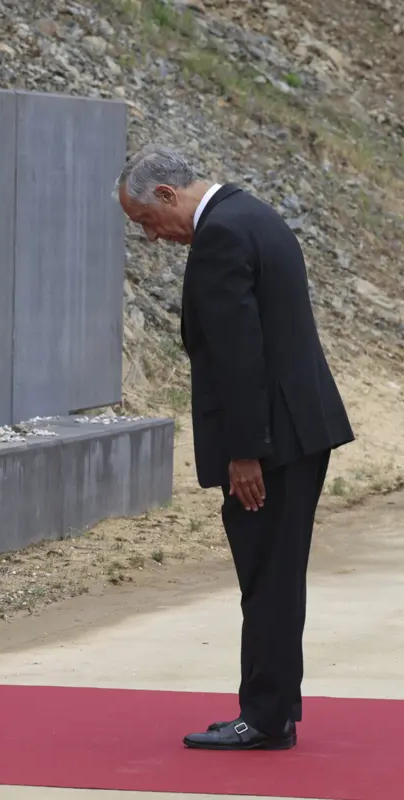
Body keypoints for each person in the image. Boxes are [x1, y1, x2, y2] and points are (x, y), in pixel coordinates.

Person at [115, 144, 354, 751]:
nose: (152, 238)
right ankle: (275, 709)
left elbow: (239, 354)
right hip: (300, 428)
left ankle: (267, 717)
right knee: (275, 572)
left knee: (267, 576)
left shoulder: (220, 236)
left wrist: (246, 452)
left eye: (146, 221)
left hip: (270, 441)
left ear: (167, 195)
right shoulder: (254, 214)